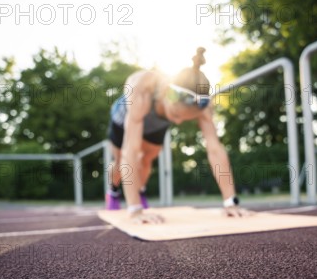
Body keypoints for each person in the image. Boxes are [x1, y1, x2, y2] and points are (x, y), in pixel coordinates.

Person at [106, 47, 249, 223]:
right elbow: (131, 151)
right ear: (168, 94)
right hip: (125, 116)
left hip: (160, 117)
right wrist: (135, 211)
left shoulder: (203, 105)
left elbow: (215, 149)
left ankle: (139, 190)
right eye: (176, 115)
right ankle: (114, 191)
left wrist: (230, 202)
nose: (179, 122)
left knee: (148, 158)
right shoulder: (141, 87)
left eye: (184, 118)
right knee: (121, 160)